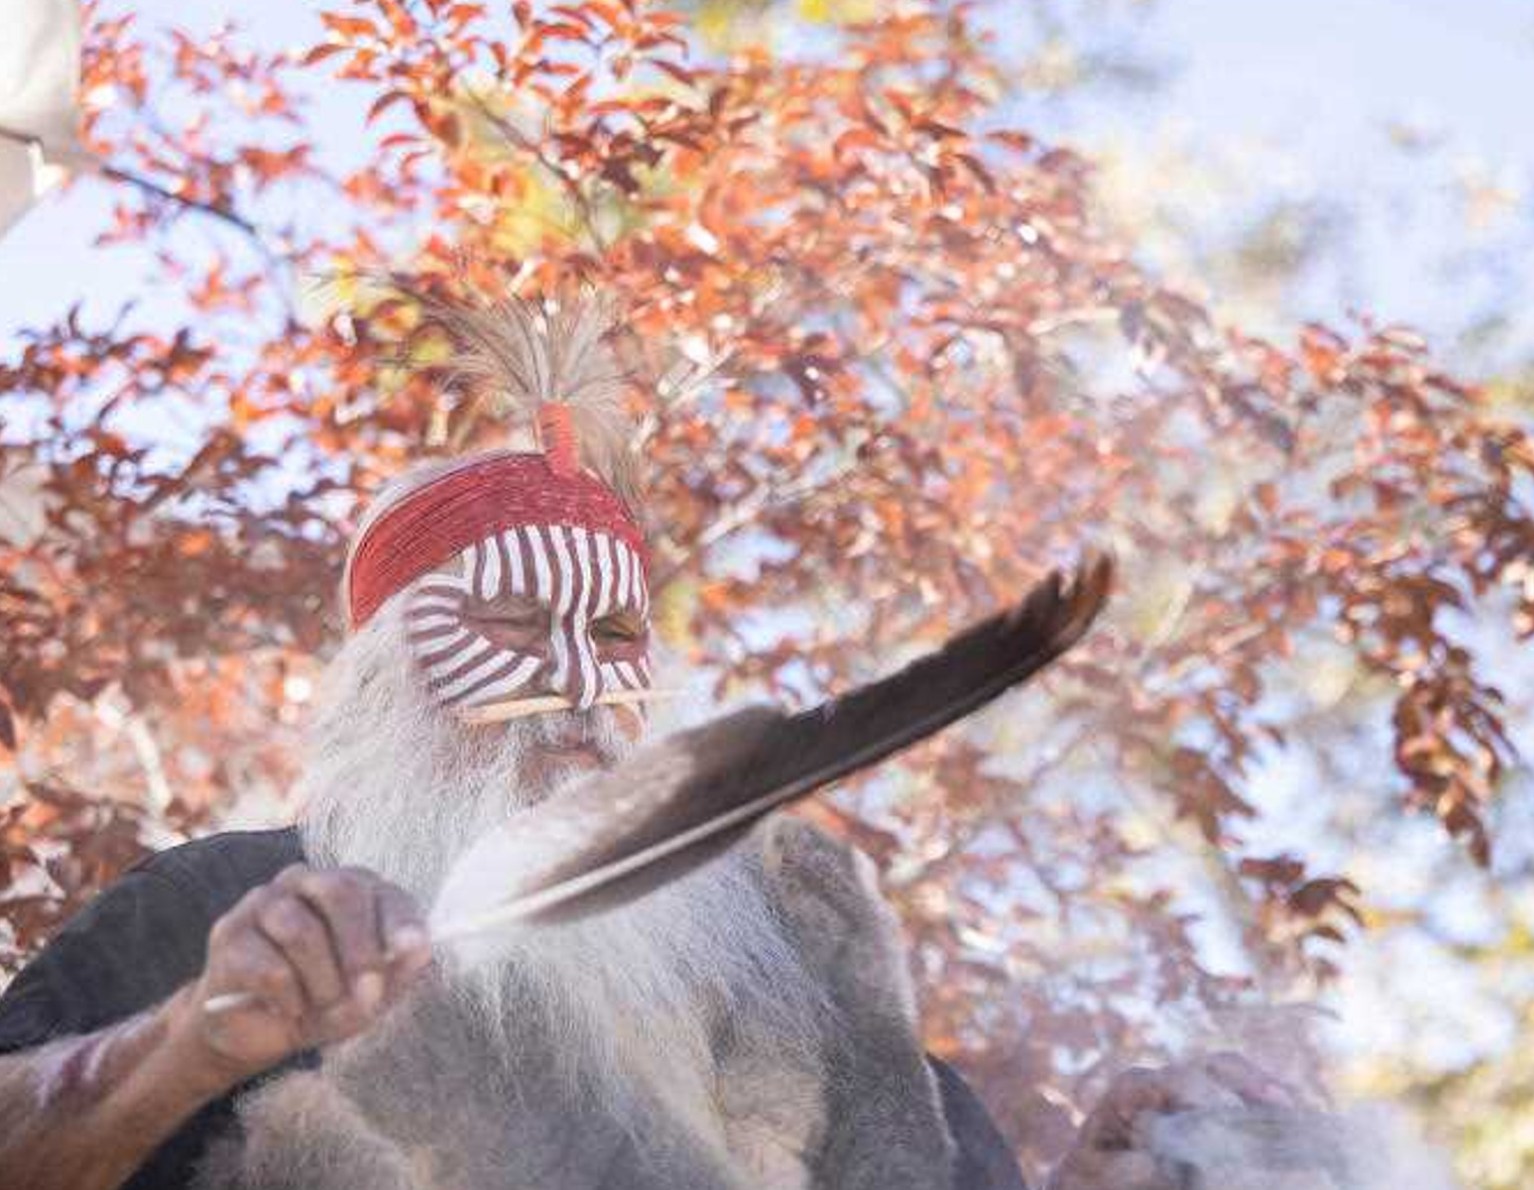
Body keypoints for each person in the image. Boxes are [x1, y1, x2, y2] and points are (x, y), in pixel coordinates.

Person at [0, 296, 1293, 1190]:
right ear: (382, 685)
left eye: (614, 633)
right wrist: (188, 1043)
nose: (574, 683)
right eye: (510, 620)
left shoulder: (810, 985)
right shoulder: (230, 911)